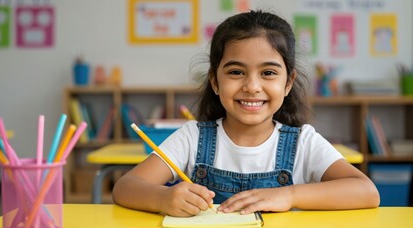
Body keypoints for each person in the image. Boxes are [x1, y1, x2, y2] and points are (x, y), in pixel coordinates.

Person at [113, 10, 380, 217]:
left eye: (268, 73)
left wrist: (289, 195)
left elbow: (367, 192)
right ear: (215, 82)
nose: (252, 86)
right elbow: (125, 187)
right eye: (236, 72)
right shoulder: (193, 137)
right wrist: (163, 199)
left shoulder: (303, 142)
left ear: (288, 83)